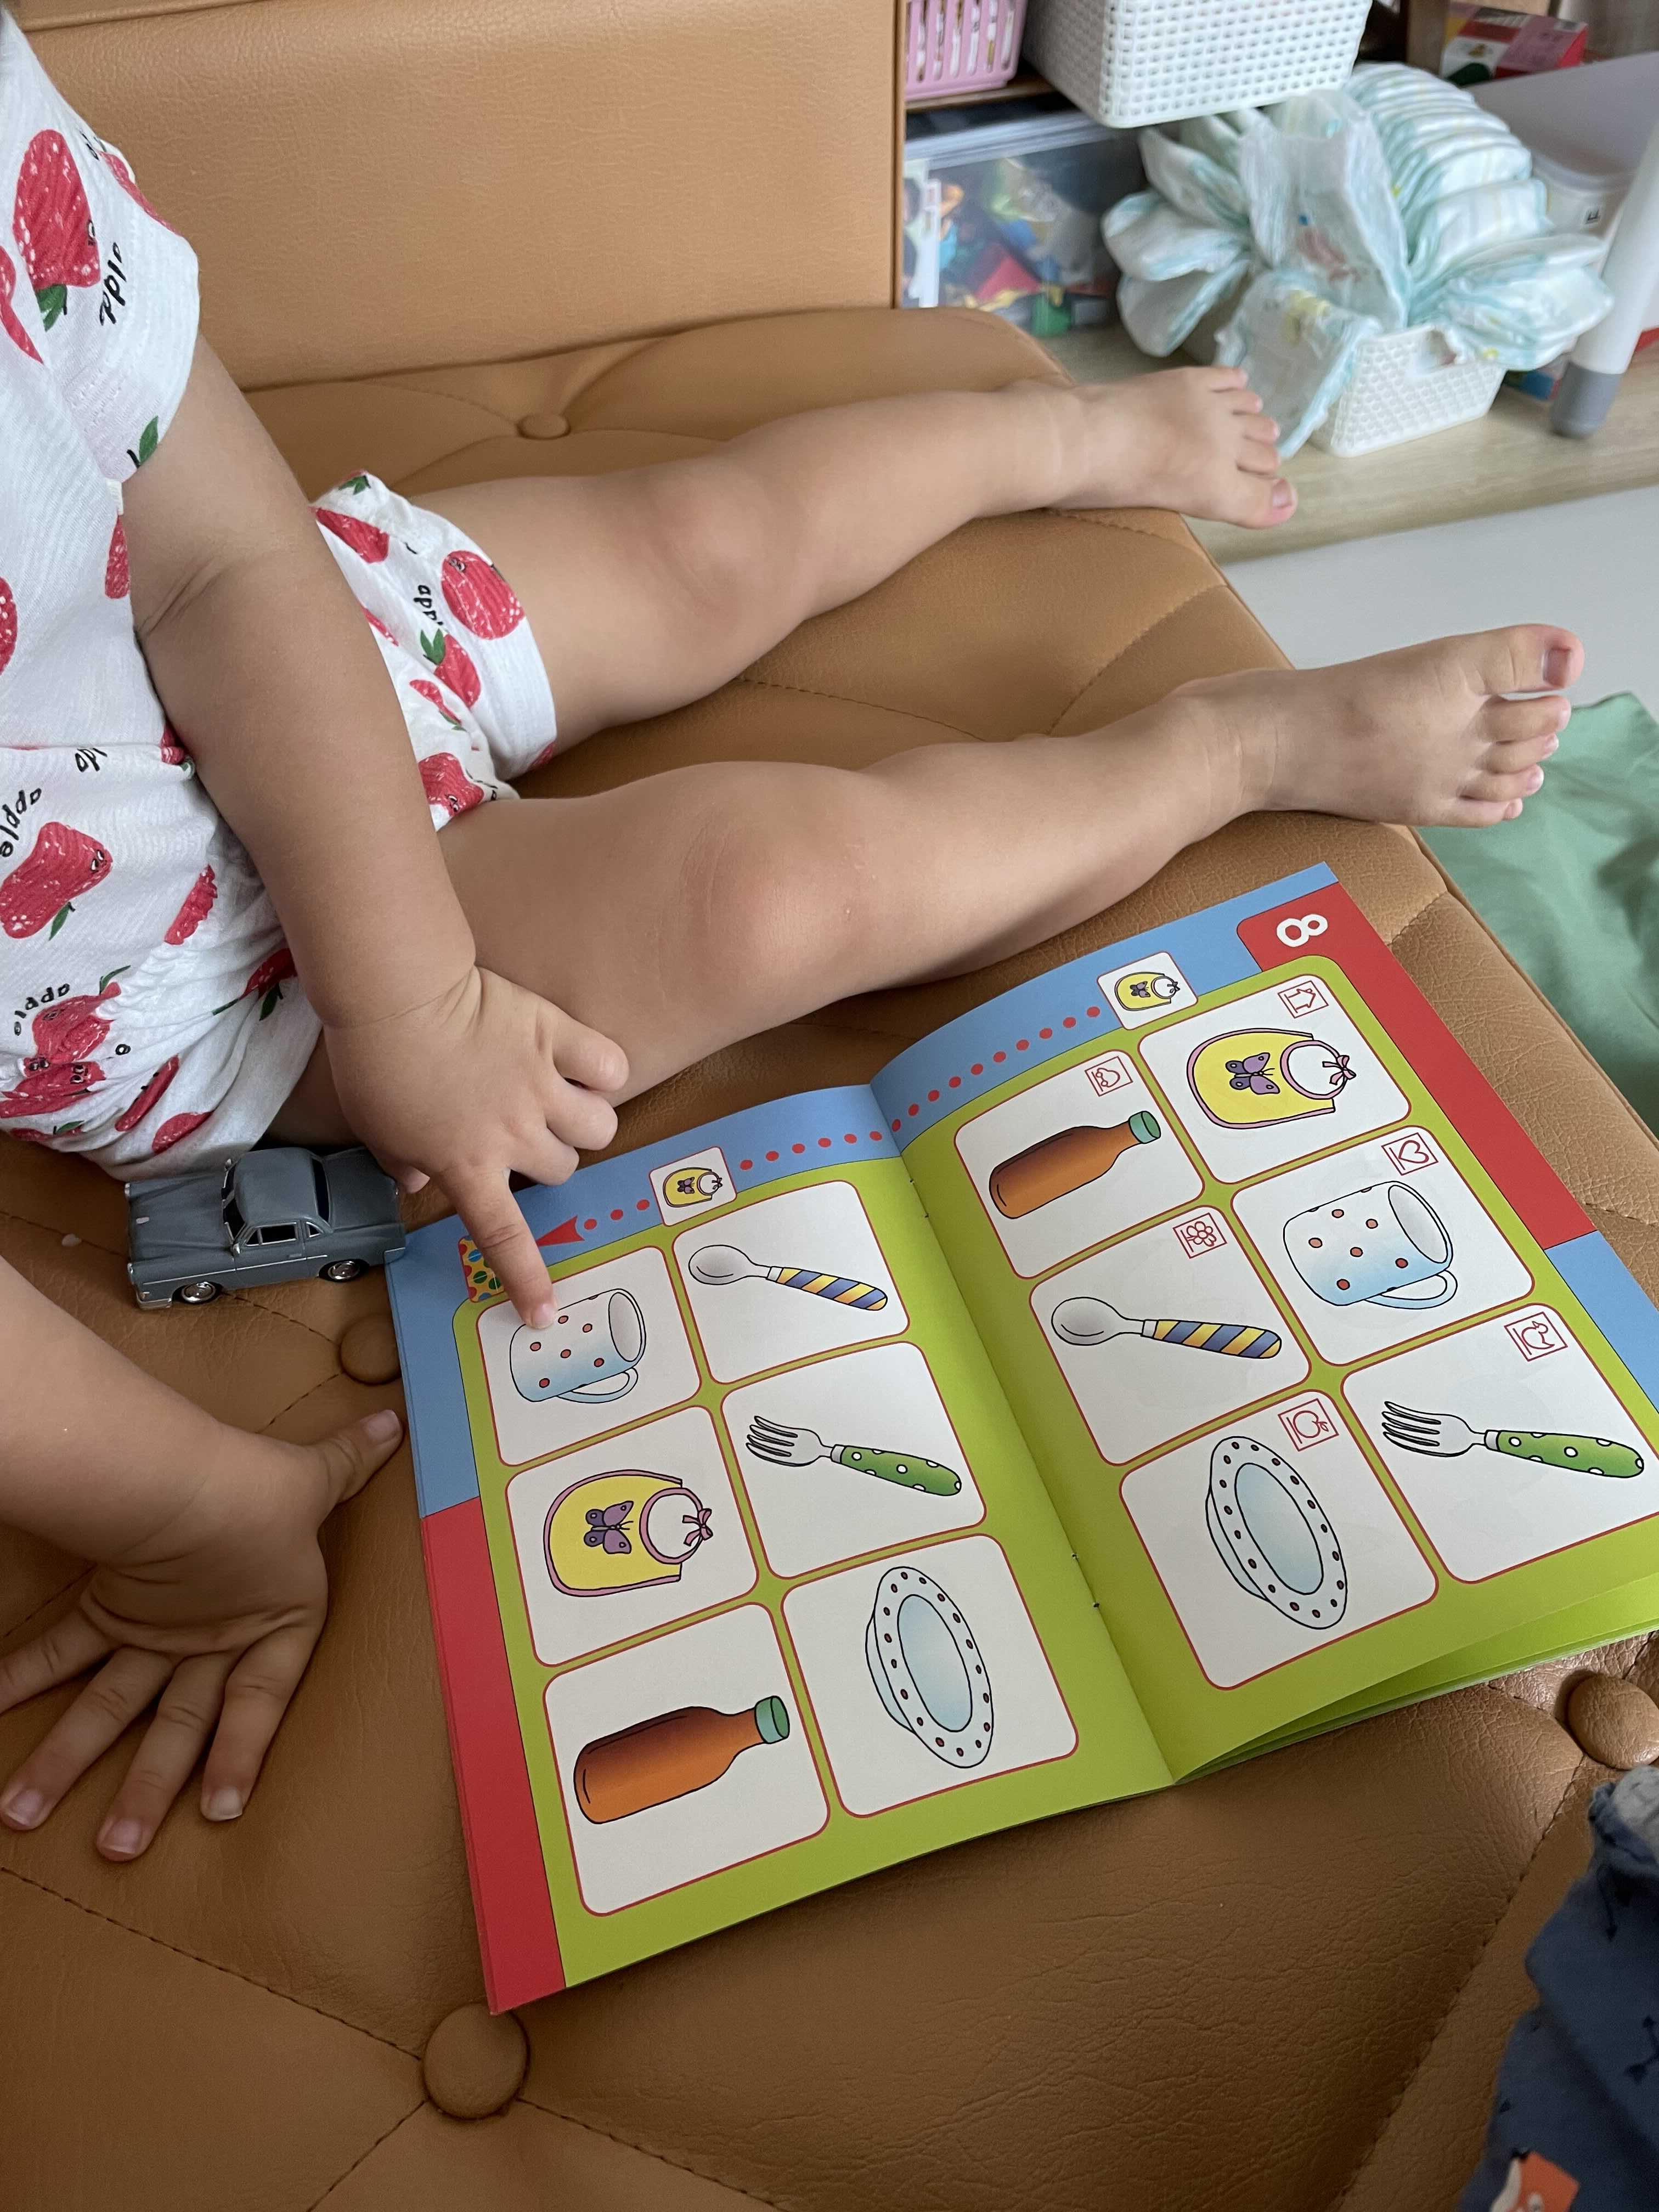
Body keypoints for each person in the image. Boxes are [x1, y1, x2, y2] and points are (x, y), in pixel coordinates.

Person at [0, 10, 1579, 1859]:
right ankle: (1232, 748)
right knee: (775, 889)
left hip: (284, 636)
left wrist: (417, 997)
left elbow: (213, 545)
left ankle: (1055, 429)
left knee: (709, 542)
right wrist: (192, 1520)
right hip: (191, 992)